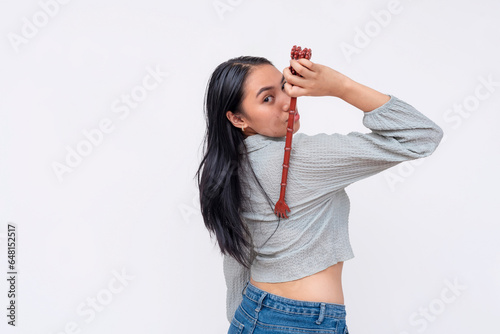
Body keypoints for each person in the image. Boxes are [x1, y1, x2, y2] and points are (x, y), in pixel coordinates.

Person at [195, 55, 443, 333]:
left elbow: (238, 256)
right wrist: (340, 86)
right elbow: (422, 135)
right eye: (267, 98)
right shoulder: (299, 158)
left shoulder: (231, 166)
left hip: (260, 315)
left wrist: (245, 321)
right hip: (298, 321)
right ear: (238, 118)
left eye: (285, 86)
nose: (288, 101)